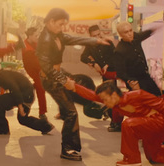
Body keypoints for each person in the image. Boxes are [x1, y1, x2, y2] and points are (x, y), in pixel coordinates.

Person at [36, 8, 110, 161]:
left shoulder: (57, 34)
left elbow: (73, 39)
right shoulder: (44, 40)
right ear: (51, 22)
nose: (62, 28)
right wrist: (64, 81)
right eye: (60, 24)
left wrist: (95, 41)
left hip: (58, 74)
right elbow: (47, 68)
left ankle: (90, 106)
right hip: (51, 79)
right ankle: (68, 149)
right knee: (71, 113)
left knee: (81, 85)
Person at [65, 80, 164, 166]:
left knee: (128, 124)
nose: (104, 102)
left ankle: (132, 159)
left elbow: (162, 104)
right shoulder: (115, 103)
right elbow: (92, 95)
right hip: (147, 125)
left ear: (114, 95)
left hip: (158, 121)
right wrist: (74, 87)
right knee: (155, 155)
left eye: (105, 99)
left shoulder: (137, 95)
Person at [109, 21, 163, 132]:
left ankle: (155, 126)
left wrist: (156, 27)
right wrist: (131, 81)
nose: (130, 34)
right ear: (120, 35)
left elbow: (144, 34)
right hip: (135, 81)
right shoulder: (119, 51)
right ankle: (143, 130)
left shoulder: (135, 38)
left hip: (145, 76)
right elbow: (120, 73)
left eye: (130, 30)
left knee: (158, 97)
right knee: (142, 107)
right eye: (126, 32)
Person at [0, 68, 54, 135]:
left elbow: (15, 89)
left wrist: (20, 106)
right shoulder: (0, 76)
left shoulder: (1, 76)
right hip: (27, 95)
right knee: (22, 119)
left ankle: (2, 129)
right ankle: (46, 126)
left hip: (25, 96)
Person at [22, 27, 48, 120]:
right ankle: (42, 113)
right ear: (30, 36)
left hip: (39, 66)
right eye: (36, 35)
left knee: (40, 86)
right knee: (41, 87)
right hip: (31, 67)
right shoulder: (25, 46)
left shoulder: (35, 43)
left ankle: (31, 87)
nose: (38, 37)